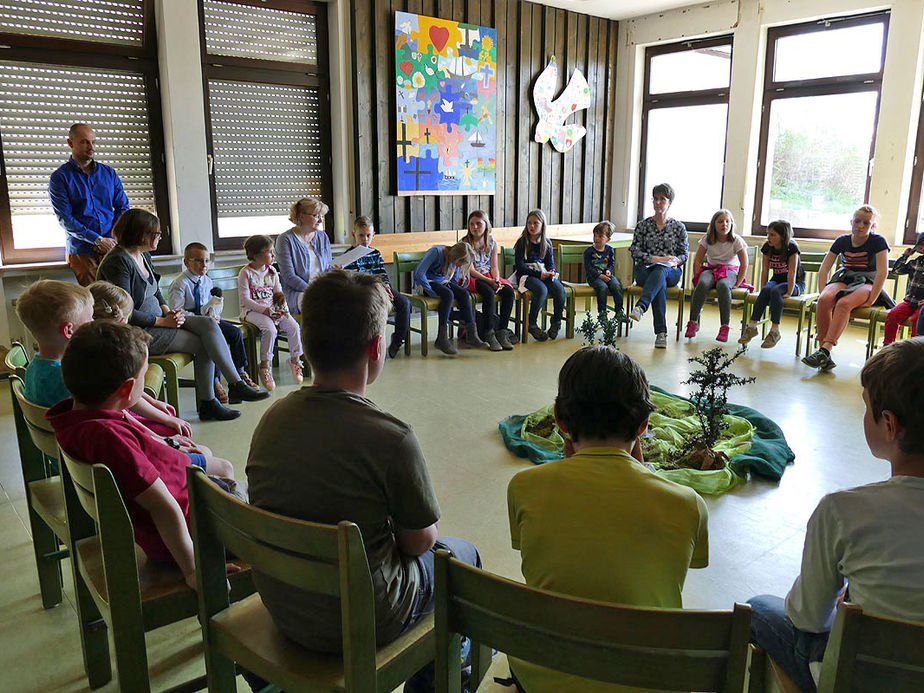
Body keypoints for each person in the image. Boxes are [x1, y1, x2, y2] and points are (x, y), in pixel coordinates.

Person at [246, 270, 480, 689]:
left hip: (284, 603)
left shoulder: (271, 420)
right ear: (376, 347)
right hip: (363, 617)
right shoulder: (391, 436)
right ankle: (437, 675)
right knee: (463, 557)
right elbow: (419, 542)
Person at [506, 345, 709, 693]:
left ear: (560, 420)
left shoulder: (524, 487)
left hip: (542, 676)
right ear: (643, 425)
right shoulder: (687, 504)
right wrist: (643, 473)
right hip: (649, 682)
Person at [748, 338, 924, 692]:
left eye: (866, 406)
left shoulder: (843, 510)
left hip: (859, 678)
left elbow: (807, 618)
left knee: (756, 609)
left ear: (889, 424)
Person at [47, 321, 237, 590]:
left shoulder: (76, 419)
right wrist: (194, 568)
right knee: (276, 523)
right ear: (126, 390)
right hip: (188, 530)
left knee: (220, 470)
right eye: (143, 376)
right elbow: (163, 506)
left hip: (175, 512)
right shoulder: (108, 438)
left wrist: (169, 443)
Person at [97, 209, 268, 421]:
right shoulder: (118, 262)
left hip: (160, 321)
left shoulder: (143, 255)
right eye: (156, 234)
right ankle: (211, 401)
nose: (160, 237)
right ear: (142, 234)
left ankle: (234, 385)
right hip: (138, 330)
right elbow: (124, 312)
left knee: (207, 324)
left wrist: (170, 311)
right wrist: (163, 321)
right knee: (204, 343)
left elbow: (156, 291)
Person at [15, 279, 191, 439]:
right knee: (174, 432)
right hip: (92, 450)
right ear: (69, 331)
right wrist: (161, 440)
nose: (94, 322)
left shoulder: (36, 366)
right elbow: (118, 417)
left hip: (73, 445)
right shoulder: (70, 377)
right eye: (90, 318)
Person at [803, 205, 891, 371]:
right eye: (857, 221)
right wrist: (823, 290)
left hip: (867, 282)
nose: (860, 226)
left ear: (872, 226)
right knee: (824, 299)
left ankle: (825, 349)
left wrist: (872, 298)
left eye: (866, 223)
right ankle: (824, 351)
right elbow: (824, 268)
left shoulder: (878, 241)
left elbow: (882, 272)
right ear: (851, 221)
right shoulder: (842, 240)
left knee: (843, 304)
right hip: (845, 277)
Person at [167, 242, 257, 403]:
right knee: (212, 340)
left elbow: (212, 304)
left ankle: (240, 372)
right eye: (199, 261)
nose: (204, 265)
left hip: (209, 321)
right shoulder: (180, 284)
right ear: (187, 262)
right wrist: (204, 318)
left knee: (235, 332)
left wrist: (214, 314)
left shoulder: (207, 281)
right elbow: (177, 311)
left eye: (207, 261)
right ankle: (215, 381)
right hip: (189, 323)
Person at [48, 123, 129, 286]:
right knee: (95, 303)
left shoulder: (109, 173)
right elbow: (65, 219)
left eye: (93, 142)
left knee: (121, 299)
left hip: (112, 247)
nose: (91, 147)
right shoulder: (59, 178)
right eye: (85, 142)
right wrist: (97, 240)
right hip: (83, 251)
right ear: (70, 143)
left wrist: (110, 239)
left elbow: (123, 208)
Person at [335, 215, 411, 358]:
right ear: (354, 235)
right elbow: (351, 280)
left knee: (404, 303)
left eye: (368, 235)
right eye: (361, 235)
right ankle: (369, 345)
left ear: (373, 235)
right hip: (362, 291)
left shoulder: (375, 253)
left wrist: (387, 286)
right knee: (371, 309)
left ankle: (397, 340)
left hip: (379, 287)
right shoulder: (349, 256)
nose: (365, 239)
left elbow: (381, 273)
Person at [238, 235, 304, 392]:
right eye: (269, 252)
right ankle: (265, 366)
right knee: (270, 329)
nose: (273, 255)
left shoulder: (272, 271)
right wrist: (265, 311)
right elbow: (245, 300)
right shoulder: (246, 273)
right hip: (252, 311)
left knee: (294, 326)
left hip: (273, 310)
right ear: (256, 255)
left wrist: (284, 311)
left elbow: (279, 294)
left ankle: (295, 360)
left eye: (273, 251)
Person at [628, 183, 688, 349]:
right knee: (658, 279)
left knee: (661, 271)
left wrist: (676, 260)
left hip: (671, 272)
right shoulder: (643, 225)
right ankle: (661, 333)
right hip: (644, 271)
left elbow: (684, 254)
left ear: (669, 203)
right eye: (655, 199)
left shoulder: (678, 227)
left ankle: (641, 306)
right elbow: (634, 251)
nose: (658, 203)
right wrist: (655, 258)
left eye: (662, 199)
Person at [739, 220, 805, 349]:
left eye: (773, 235)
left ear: (783, 236)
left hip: (795, 283)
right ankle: (752, 327)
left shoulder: (791, 248)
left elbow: (792, 272)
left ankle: (775, 331)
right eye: (768, 234)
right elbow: (765, 270)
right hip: (777, 281)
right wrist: (763, 290)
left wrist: (790, 292)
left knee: (775, 291)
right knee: (768, 289)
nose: (769, 237)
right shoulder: (767, 247)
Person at [412, 241, 486, 355]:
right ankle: (441, 338)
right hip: (424, 283)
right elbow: (419, 273)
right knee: (448, 294)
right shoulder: (436, 252)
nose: (460, 266)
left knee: (464, 294)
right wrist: (431, 292)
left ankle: (471, 334)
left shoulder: (454, 261)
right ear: (456, 257)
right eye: (460, 263)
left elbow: (452, 281)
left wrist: (458, 291)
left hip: (441, 282)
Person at [685, 209, 748, 342]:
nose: (724, 224)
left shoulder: (736, 240)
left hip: (730, 271)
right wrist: (697, 277)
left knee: (723, 285)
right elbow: (697, 260)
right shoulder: (707, 239)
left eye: (727, 221)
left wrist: (738, 282)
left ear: (731, 224)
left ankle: (724, 326)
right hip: (711, 269)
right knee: (702, 284)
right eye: (720, 221)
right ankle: (692, 322)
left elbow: (744, 263)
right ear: (714, 224)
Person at [460, 209, 516, 351]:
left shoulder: (491, 242)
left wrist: (496, 280)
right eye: (472, 224)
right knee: (488, 293)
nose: (475, 227)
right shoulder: (465, 243)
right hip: (471, 277)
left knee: (508, 291)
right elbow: (471, 270)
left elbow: (494, 266)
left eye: (478, 224)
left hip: (488, 276)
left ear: (486, 225)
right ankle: (489, 332)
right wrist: (490, 282)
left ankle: (502, 331)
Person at [513, 209, 567, 342]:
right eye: (529, 223)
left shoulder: (546, 242)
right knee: (541, 290)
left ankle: (556, 321)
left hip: (542, 272)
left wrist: (552, 272)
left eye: (535, 223)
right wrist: (539, 274)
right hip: (527, 275)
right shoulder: (522, 242)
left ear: (542, 225)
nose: (532, 226)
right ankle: (532, 323)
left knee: (559, 290)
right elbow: (520, 267)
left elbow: (550, 264)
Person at [276, 197, 332, 315]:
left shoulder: (322, 237)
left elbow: (327, 268)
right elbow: (288, 276)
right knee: (322, 305)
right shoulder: (285, 239)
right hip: (296, 293)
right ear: (301, 216)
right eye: (316, 216)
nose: (320, 220)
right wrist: (312, 291)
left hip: (322, 290)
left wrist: (335, 270)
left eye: (321, 216)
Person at [882, 231, 924, 345]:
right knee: (893, 315)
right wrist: (905, 256)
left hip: (922, 305)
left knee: (917, 320)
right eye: (921, 247)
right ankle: (888, 345)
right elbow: (896, 270)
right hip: (910, 301)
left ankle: (915, 349)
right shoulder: (915, 262)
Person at [582, 220, 625, 322]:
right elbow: (588, 267)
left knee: (617, 285)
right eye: (595, 235)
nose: (596, 238)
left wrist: (609, 270)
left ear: (608, 239)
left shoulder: (609, 250)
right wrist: (599, 276)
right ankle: (602, 314)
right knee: (602, 287)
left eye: (600, 236)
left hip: (607, 275)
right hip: (593, 277)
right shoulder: (589, 251)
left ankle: (619, 312)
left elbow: (611, 263)